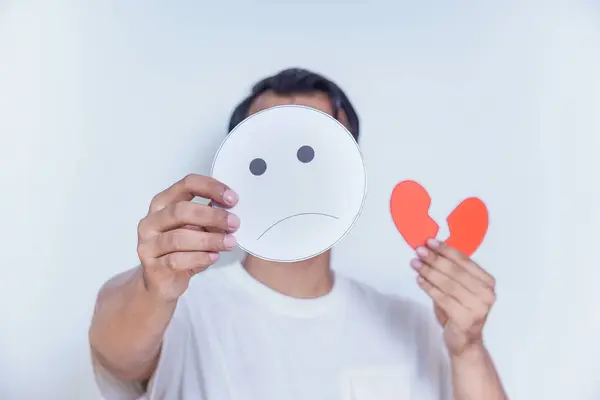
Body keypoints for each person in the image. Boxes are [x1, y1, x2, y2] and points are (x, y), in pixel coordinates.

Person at [89, 68, 508, 400]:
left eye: (313, 149)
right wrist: (153, 285)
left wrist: (468, 348)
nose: (290, 176)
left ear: (351, 170)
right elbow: (117, 352)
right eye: (267, 147)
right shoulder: (179, 309)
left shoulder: (418, 325)